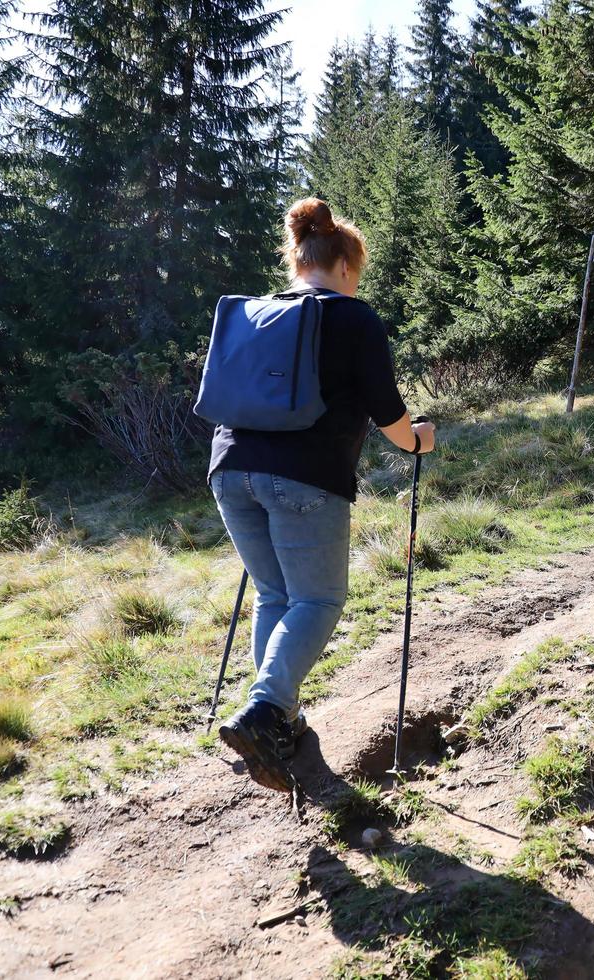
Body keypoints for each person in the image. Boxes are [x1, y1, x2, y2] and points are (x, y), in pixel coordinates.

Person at [209, 198, 436, 792]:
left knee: (275, 596)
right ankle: (265, 710)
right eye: (355, 275)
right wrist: (418, 442)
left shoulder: (257, 313)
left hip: (229, 469)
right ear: (343, 266)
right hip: (305, 475)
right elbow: (387, 411)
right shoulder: (353, 316)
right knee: (318, 599)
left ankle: (278, 719)